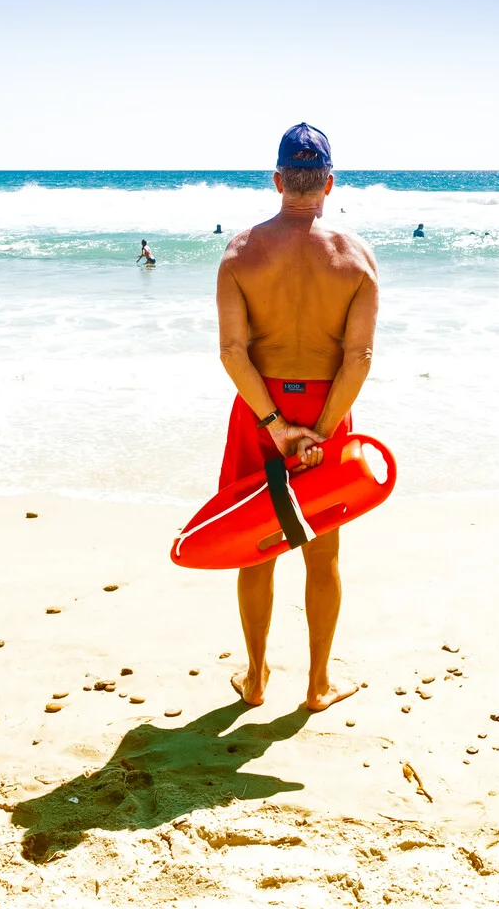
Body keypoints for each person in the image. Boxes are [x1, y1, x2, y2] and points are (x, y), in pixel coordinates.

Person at [216, 122, 378, 712]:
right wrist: (325, 434)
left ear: (278, 179)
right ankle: (316, 685)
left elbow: (233, 352)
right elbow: (358, 357)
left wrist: (275, 425)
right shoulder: (357, 257)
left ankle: (256, 680)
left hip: (260, 412)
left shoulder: (240, 252)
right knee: (323, 554)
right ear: (330, 183)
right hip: (328, 412)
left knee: (252, 544)